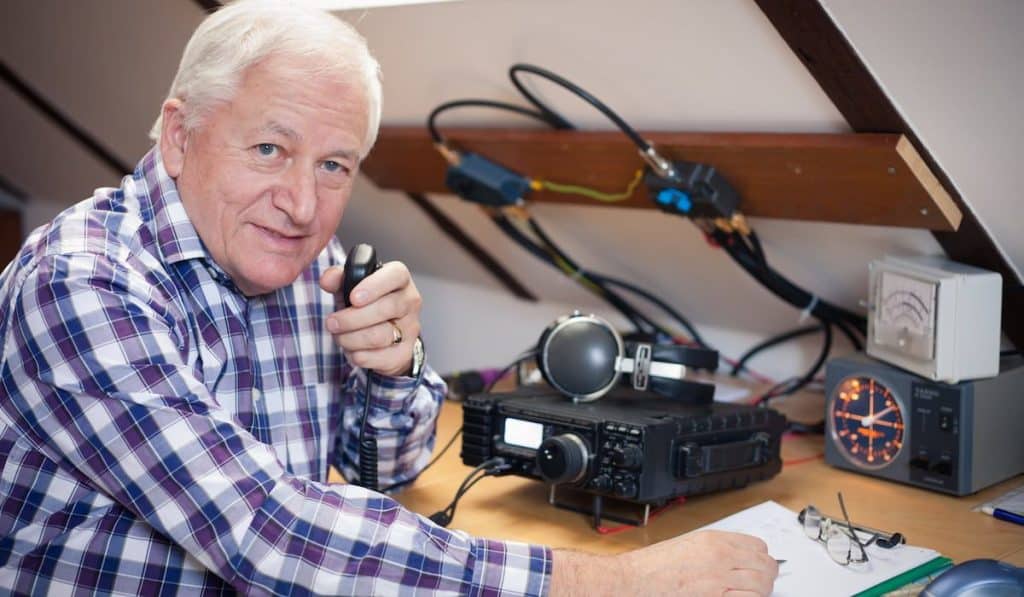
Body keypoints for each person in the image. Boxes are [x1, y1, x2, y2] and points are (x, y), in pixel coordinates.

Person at [0, 1, 778, 595]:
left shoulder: (309, 261)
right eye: (269, 148)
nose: (302, 204)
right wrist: (625, 581)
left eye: (335, 166)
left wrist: (396, 370)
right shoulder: (82, 281)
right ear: (179, 136)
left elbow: (393, 470)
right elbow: (267, 531)